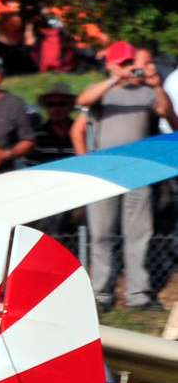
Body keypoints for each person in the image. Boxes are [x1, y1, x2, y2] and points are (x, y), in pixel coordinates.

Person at [75, 42, 177, 312]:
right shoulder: (100, 91)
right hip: (103, 172)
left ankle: (138, 295)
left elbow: (171, 119)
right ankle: (100, 295)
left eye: (128, 63)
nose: (126, 68)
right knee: (101, 234)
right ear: (109, 64)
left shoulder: (147, 92)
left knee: (139, 234)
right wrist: (112, 80)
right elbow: (82, 101)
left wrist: (156, 86)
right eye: (120, 63)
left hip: (139, 171)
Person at [29, 83, 78, 167]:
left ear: (70, 107)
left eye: (62, 104)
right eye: (50, 105)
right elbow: (32, 167)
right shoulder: (38, 136)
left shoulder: (81, 132)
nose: (56, 109)